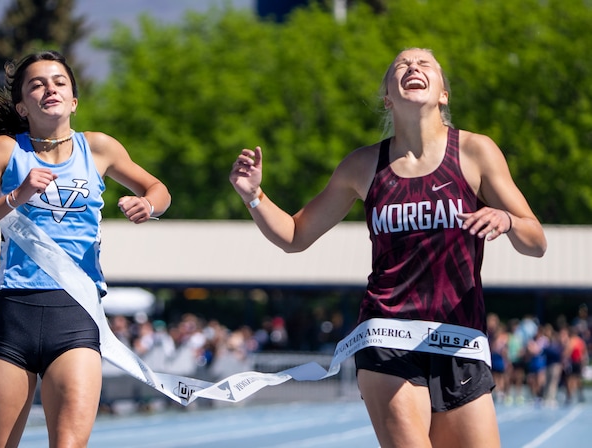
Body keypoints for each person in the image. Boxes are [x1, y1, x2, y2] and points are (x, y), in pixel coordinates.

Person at [229, 47, 547, 447]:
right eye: (402, 65)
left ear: (443, 93)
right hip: (386, 335)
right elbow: (295, 235)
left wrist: (508, 220)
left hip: (459, 337)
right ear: (388, 98)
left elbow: (536, 242)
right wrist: (254, 196)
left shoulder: (475, 151)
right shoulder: (362, 166)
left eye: (424, 63)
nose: (413, 67)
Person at [0, 50, 170, 447]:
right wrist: (15, 197)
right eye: (37, 83)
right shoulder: (4, 150)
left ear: (74, 101)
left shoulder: (99, 148)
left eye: (59, 82)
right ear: (22, 105)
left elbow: (159, 189)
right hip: (15, 313)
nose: (49, 88)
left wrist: (148, 205)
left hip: (76, 316)